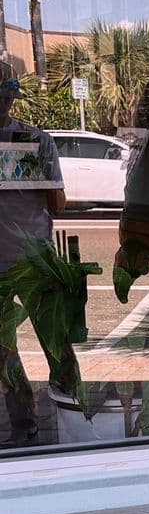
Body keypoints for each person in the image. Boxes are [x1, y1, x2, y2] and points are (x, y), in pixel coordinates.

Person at [0, 63, 66, 445]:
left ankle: (25, 424)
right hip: (34, 256)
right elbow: (56, 202)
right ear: (12, 98)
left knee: (4, 349)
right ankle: (77, 413)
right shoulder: (34, 140)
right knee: (54, 340)